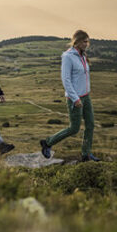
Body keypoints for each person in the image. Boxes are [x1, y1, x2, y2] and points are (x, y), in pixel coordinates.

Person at [40, 30, 100, 162]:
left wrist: (85, 95)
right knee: (74, 128)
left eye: (87, 41)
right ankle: (48, 142)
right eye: (84, 41)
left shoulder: (82, 55)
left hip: (86, 96)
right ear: (77, 41)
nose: (87, 44)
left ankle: (86, 154)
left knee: (90, 125)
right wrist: (75, 98)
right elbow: (66, 80)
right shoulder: (68, 56)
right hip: (75, 98)